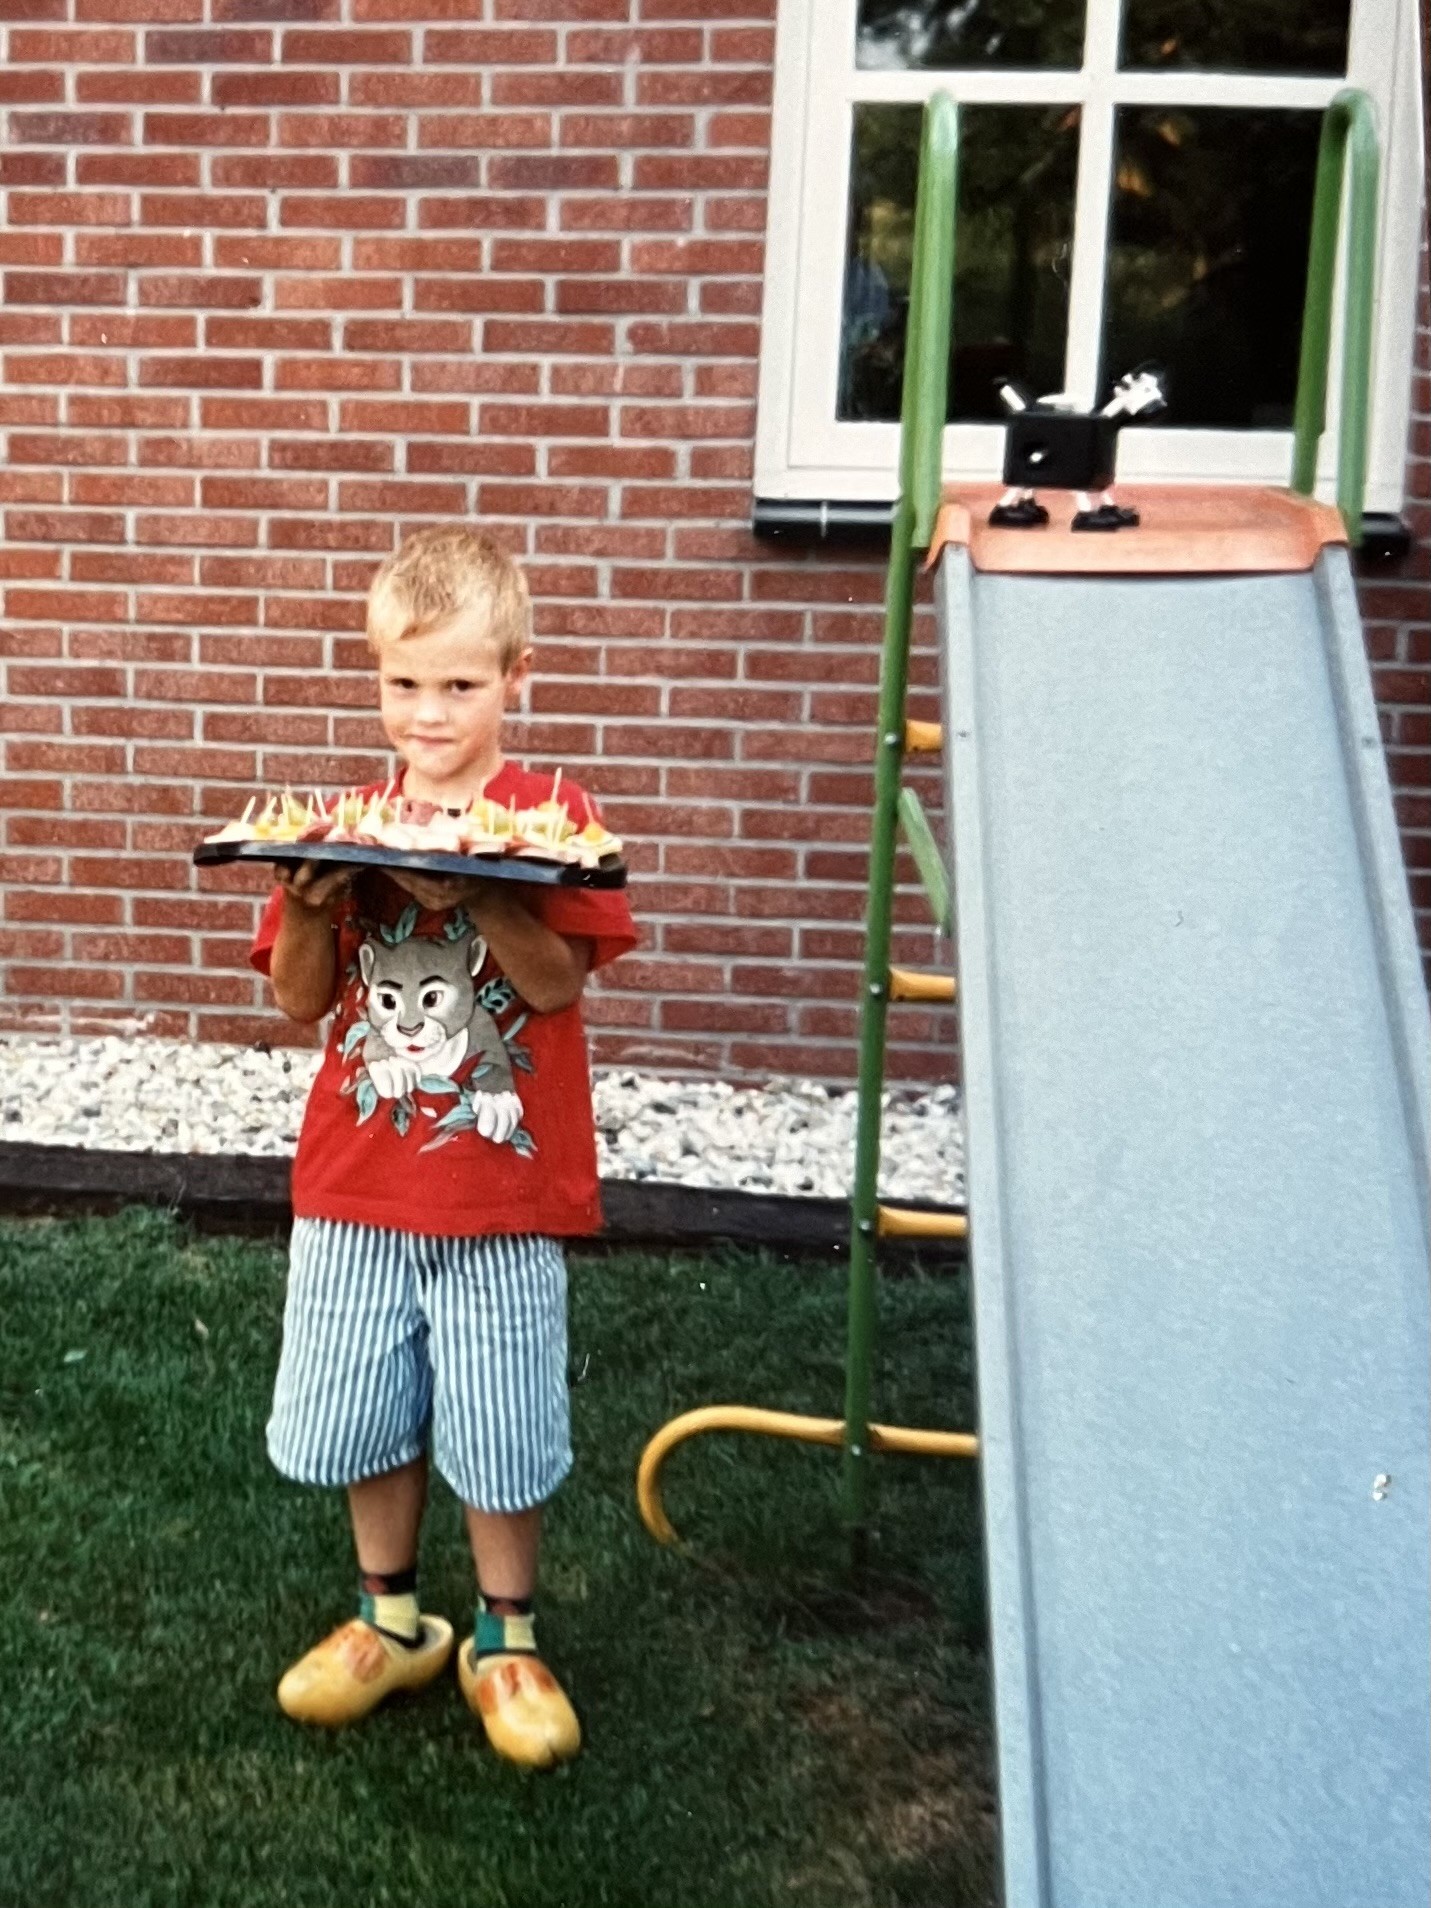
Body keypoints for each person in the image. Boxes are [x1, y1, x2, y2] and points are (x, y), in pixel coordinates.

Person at [250, 524, 637, 1766]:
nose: (430, 714)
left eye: (462, 685)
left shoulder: (554, 815)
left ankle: (505, 1637)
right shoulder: (346, 820)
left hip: (500, 1187)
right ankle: (391, 1618)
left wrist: (476, 888)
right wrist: (315, 900)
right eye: (405, 684)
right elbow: (302, 1000)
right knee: (367, 1401)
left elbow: (559, 988)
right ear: (377, 681)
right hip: (361, 1180)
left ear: (517, 676)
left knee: (501, 1414)